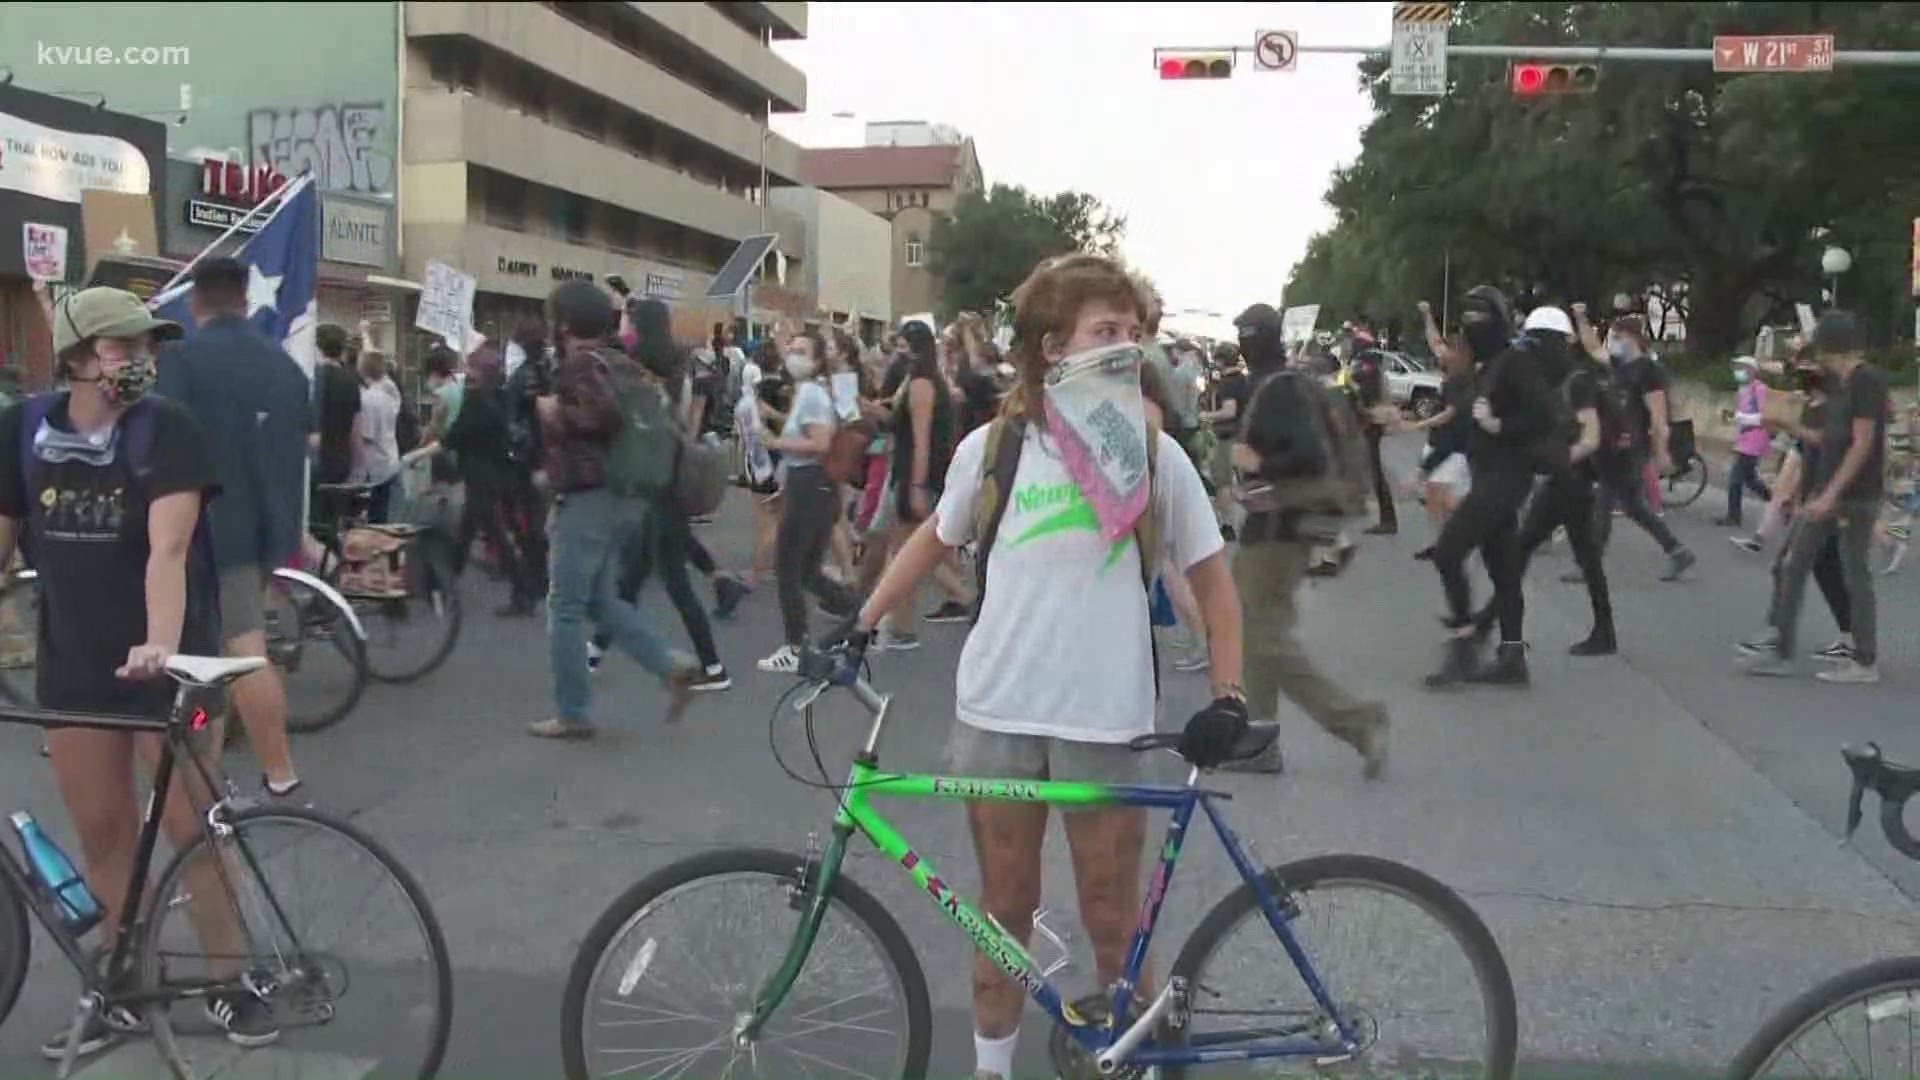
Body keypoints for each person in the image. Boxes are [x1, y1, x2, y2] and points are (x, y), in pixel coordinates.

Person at [842, 253, 1244, 1080]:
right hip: (998, 710)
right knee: (1002, 914)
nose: (1126, 346)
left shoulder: (1152, 454)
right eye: (1106, 332)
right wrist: (860, 623)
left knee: (1111, 917)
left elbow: (1215, 585)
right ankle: (992, 1070)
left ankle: (1139, 1064)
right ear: (1051, 347)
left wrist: (1229, 693)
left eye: (1135, 334)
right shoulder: (993, 450)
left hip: (1105, 716)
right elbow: (935, 535)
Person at [4, 286, 277, 1053]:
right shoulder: (19, 432)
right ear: (78, 357)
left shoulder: (168, 430)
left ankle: (232, 981)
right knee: (104, 832)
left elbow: (169, 550)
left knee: (195, 826)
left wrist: (158, 643)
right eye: (125, 348)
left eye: (148, 347)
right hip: (75, 671)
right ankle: (129, 984)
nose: (141, 362)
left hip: (174, 670)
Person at [153, 256, 311, 800]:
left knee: (225, 657)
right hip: (263, 527)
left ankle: (271, 773)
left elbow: (161, 441)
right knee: (230, 655)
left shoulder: (181, 361)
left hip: (200, 526)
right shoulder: (285, 367)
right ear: (246, 302)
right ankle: (253, 772)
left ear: (195, 303)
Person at [527, 280, 701, 738]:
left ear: (563, 324)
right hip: (626, 495)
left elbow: (602, 417)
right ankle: (669, 667)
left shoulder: (580, 365)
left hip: (588, 497)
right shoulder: (621, 361)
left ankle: (572, 712)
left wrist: (553, 414)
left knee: (564, 607)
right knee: (602, 601)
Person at [1221, 301, 1389, 775]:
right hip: (1276, 527)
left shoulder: (1279, 389)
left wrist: (1258, 465)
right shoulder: (1284, 383)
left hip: (1279, 531)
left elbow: (1308, 454)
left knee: (1265, 639)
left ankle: (1357, 722)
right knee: (1255, 635)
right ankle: (1259, 739)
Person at [589, 297, 731, 692]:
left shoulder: (636, 370)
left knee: (673, 583)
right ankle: (593, 653)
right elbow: (686, 424)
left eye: (628, 323)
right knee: (632, 578)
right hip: (668, 476)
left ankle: (715, 667)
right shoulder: (679, 368)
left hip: (654, 485)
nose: (624, 330)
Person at [1742, 310, 1887, 684]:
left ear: (1832, 346)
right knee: (1794, 565)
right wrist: (1793, 428)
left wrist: (1831, 494)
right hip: (1828, 491)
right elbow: (1830, 440)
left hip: (1853, 495)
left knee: (1854, 574)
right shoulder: (1841, 387)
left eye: (1820, 348)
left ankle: (1864, 661)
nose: (1816, 357)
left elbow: (1862, 443)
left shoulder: (1866, 382)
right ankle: (1783, 650)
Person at [1426, 285, 1558, 689]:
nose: (1470, 328)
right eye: (1466, 320)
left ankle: (1465, 644)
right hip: (1489, 475)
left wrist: (1501, 426)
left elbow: (1546, 414)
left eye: (1477, 319)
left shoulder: (1515, 363)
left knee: (1448, 551)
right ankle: (1512, 656)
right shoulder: (1489, 367)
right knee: (1503, 572)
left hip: (1507, 478)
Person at [1467, 304, 1616, 655]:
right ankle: (1604, 630)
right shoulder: (1564, 378)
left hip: (1568, 480)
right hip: (1569, 481)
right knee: (1584, 557)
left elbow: (1590, 437)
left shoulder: (1576, 382)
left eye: (1533, 344)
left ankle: (1487, 623)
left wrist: (1553, 461)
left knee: (1521, 551)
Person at [755, 328, 857, 674]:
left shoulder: (812, 394)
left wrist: (774, 441)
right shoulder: (810, 392)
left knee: (788, 570)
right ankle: (861, 618)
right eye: (792, 349)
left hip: (811, 487)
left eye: (802, 351)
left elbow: (820, 444)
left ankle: (795, 646)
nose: (793, 355)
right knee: (809, 572)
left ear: (815, 361)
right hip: (810, 486)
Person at [1574, 311, 1695, 581]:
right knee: (1633, 507)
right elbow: (1593, 347)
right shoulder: (1618, 365)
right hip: (1615, 447)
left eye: (1618, 337)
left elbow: (1658, 415)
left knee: (1604, 503)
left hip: (1631, 448)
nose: (1613, 342)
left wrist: (1661, 451)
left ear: (1633, 338)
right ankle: (1677, 551)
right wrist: (1581, 318)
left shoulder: (1649, 371)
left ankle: (1590, 566)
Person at [1348, 341, 1398, 535]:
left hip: (1370, 423)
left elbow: (1365, 395)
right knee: (1371, 470)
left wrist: (1353, 385)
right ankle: (1385, 518)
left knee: (1375, 472)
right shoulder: (1374, 369)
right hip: (1372, 423)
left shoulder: (1368, 370)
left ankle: (1387, 520)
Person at [1719, 355, 1774, 529]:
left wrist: (1740, 417)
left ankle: (1734, 517)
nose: (1738, 371)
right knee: (1750, 479)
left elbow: (1764, 416)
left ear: (1752, 370)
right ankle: (1777, 502)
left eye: (1741, 367)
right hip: (1745, 438)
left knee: (1736, 479)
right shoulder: (1743, 390)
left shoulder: (1760, 389)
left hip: (1755, 438)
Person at [352, 344, 404, 524]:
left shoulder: (367, 399)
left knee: (375, 515)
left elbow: (366, 434)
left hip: (375, 464)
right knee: (385, 513)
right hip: (390, 457)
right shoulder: (390, 394)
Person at [311, 323, 362, 490]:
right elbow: (356, 428)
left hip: (311, 459)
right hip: (340, 460)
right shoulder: (351, 381)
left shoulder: (311, 379)